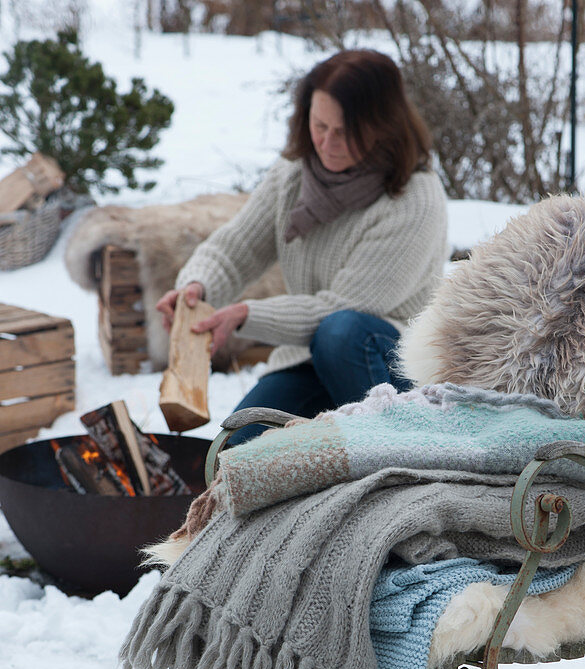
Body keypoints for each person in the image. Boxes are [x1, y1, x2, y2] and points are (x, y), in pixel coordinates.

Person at [156, 48, 448, 445]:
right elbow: (235, 248)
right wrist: (197, 287)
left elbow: (341, 309)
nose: (327, 143)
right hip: (308, 356)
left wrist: (244, 315)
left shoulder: (414, 198)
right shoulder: (293, 173)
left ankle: (398, 449)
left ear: (382, 125)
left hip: (388, 363)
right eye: (319, 124)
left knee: (340, 332)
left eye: (344, 131)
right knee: (236, 450)